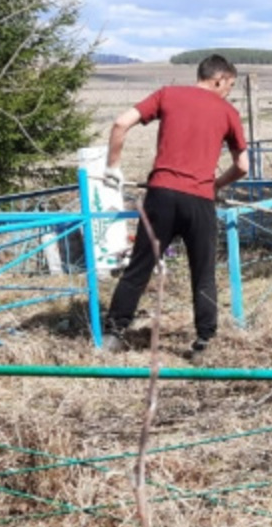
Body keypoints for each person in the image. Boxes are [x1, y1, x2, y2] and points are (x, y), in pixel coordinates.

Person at [100, 54, 250, 358]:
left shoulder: (167, 94)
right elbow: (243, 166)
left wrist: (113, 168)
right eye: (229, 86)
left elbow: (120, 123)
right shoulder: (228, 112)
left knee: (140, 266)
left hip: (161, 195)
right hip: (199, 200)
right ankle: (203, 342)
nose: (228, 92)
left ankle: (114, 334)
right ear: (218, 79)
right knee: (203, 272)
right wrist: (215, 185)